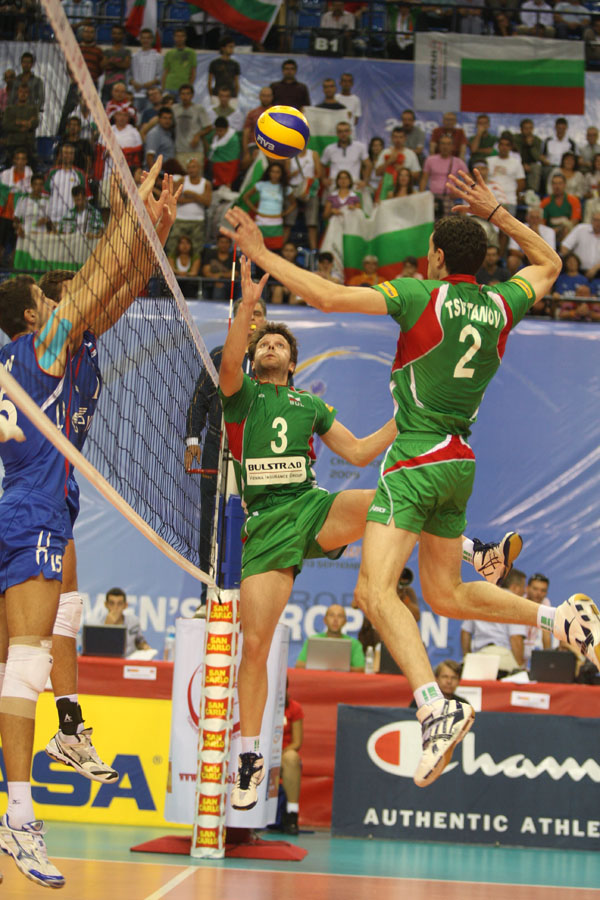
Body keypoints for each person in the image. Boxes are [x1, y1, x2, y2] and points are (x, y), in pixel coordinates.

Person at [221, 169, 600, 792]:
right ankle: (560, 619)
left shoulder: (420, 295)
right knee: (445, 594)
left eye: (430, 250)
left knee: (373, 594)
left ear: (439, 257)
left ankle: (433, 707)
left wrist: (262, 254)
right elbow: (551, 263)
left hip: (417, 458)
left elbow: (328, 297)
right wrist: (498, 213)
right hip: (458, 463)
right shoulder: (502, 302)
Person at [0, 158, 179, 886]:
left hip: (27, 507)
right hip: (33, 510)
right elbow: (97, 279)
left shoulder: (50, 353)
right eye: (52, 299)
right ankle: (20, 819)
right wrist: (126, 213)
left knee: (22, 654)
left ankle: (62, 740)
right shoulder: (42, 351)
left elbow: (115, 287)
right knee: (25, 662)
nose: (64, 301)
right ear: (35, 316)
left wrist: (151, 234)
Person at [220, 259, 397, 809]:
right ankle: (250, 758)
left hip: (310, 505)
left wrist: (408, 417)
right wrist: (248, 308)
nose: (270, 347)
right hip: (265, 524)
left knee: (391, 497)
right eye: (263, 345)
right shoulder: (240, 395)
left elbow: (361, 452)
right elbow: (228, 360)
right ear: (254, 358)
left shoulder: (311, 405)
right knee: (255, 645)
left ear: (293, 363)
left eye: (279, 345)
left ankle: (471, 552)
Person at [185, 295, 268, 605]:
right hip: (216, 447)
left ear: (265, 321)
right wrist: (192, 439)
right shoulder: (221, 355)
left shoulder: (270, 361)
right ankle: (207, 596)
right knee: (211, 522)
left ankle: (247, 600)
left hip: (254, 455)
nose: (253, 318)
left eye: (258, 313)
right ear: (236, 321)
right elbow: (199, 400)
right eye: (248, 313)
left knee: (254, 524)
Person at [240, 162, 294, 251]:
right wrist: (255, 210)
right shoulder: (261, 185)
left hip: (276, 222)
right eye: (272, 171)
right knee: (258, 248)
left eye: (277, 172)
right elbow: (245, 197)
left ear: (281, 174)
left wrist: (284, 213)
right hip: (261, 220)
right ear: (269, 173)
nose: (275, 174)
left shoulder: (285, 188)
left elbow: (293, 204)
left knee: (275, 248)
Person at [295, 604, 366, 671]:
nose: (335, 620)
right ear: (325, 620)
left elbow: (361, 669)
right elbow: (299, 665)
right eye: (332, 615)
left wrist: (338, 668)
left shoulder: (354, 644)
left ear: (345, 622)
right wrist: (326, 667)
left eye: (340, 616)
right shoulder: (312, 640)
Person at [90, 588, 151, 656]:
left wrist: (144, 646)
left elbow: (139, 640)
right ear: (106, 604)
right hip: (106, 660)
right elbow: (94, 648)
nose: (115, 607)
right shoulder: (95, 624)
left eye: (119, 604)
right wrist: (107, 626)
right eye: (111, 603)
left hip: (128, 659)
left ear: (125, 605)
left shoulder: (134, 622)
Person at [461, 613, 526, 673]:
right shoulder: (513, 606)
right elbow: (516, 638)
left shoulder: (477, 606)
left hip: (479, 657)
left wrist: (468, 656)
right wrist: (520, 666)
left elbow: (465, 631)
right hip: (503, 656)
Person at [321, 121, 370, 193]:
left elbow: (368, 165)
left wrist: (365, 181)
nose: (343, 134)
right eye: (340, 131)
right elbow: (322, 164)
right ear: (337, 133)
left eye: (346, 131)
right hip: (334, 184)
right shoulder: (329, 149)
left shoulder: (360, 147)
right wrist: (323, 179)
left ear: (350, 132)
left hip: (354, 184)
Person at [280, 682, 303, 835]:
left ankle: (292, 813)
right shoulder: (261, 703)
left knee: (292, 758)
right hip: (262, 751)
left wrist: (280, 753)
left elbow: (297, 742)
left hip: (284, 752)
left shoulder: (294, 708)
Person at [172, 83, 211, 170]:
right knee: (180, 177)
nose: (185, 96)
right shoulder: (174, 108)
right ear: (179, 95)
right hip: (180, 151)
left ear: (192, 95)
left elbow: (209, 127)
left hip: (196, 151)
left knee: (197, 177)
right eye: (183, 94)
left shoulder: (199, 109)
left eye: (188, 94)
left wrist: (198, 135)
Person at [130, 28, 163, 115]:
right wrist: (133, 82)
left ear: (152, 40)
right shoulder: (134, 56)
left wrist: (151, 83)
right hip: (136, 93)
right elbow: (129, 75)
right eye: (143, 38)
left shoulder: (158, 57)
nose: (145, 40)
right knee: (135, 116)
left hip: (151, 95)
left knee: (150, 116)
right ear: (140, 39)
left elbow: (160, 75)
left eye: (148, 38)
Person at [101, 25, 131, 104]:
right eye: (114, 33)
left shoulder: (126, 51)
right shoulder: (107, 51)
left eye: (119, 33)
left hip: (120, 85)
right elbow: (103, 65)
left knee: (120, 107)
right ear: (111, 35)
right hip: (107, 84)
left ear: (123, 35)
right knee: (104, 107)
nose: (116, 35)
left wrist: (111, 61)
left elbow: (126, 65)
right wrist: (119, 63)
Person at [162, 28, 196, 97]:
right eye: (177, 36)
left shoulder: (191, 53)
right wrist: (163, 88)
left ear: (185, 37)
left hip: (184, 88)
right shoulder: (169, 53)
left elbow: (193, 72)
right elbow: (165, 72)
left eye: (181, 36)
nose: (179, 38)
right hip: (169, 86)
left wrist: (190, 86)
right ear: (174, 38)